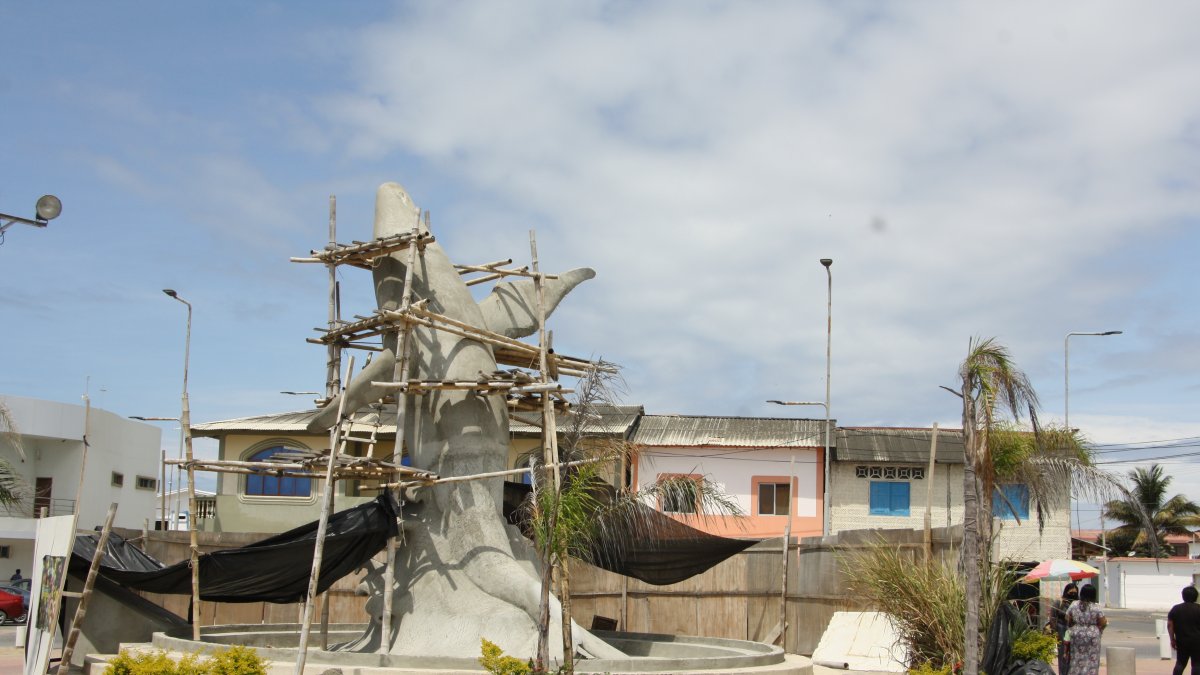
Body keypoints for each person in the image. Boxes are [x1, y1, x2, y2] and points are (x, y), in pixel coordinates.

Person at [1067, 584, 1107, 675]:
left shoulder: (1074, 604)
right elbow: (1103, 622)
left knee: (1076, 658)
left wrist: (1075, 626)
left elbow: (1068, 618)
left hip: (1077, 634)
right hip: (1092, 636)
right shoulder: (1096, 607)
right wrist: (1098, 629)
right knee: (1092, 659)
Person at [1168, 585, 1200, 675]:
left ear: (1183, 596)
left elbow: (1170, 625)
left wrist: (1172, 639)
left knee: (1180, 663)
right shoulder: (1199, 608)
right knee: (1197, 664)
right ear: (1196, 596)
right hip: (1197, 641)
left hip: (1181, 640)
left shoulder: (1176, 609)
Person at [1049, 582, 1079, 674]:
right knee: (1063, 653)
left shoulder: (1078, 603)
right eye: (1071, 593)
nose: (1073, 595)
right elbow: (1053, 617)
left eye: (1075, 593)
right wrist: (1054, 632)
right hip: (1061, 629)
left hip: (1075, 631)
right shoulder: (1059, 602)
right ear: (1066, 592)